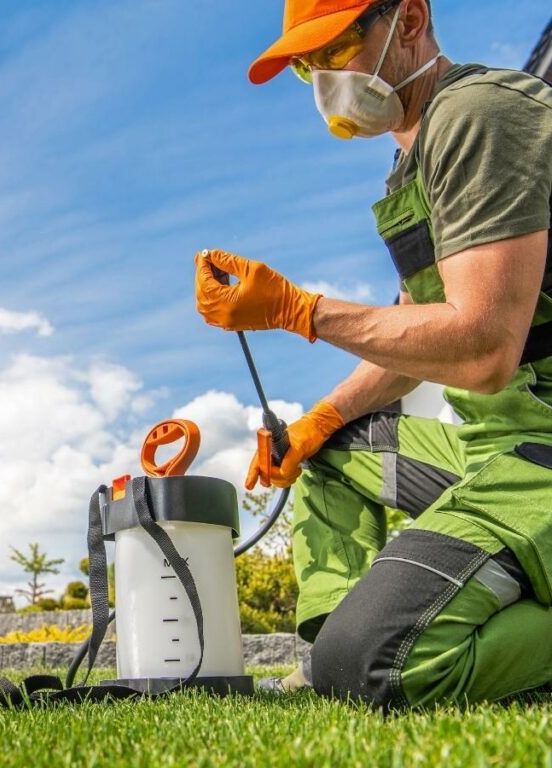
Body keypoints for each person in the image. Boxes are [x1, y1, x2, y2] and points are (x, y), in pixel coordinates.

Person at [194, 0, 552, 708]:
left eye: (333, 53)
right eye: (308, 69)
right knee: (327, 453)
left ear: (410, 19)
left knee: (378, 666)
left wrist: (305, 312)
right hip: (496, 445)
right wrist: (317, 422)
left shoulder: (480, 116)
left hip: (539, 452)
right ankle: (325, 656)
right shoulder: (413, 162)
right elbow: (418, 329)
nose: (325, 83)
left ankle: (357, 659)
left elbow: (482, 349)